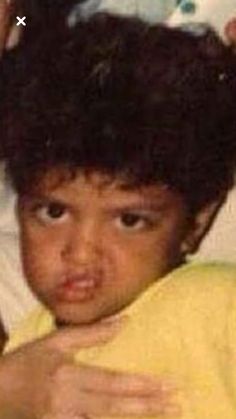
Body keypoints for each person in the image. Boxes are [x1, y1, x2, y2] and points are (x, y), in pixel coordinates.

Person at [1, 11, 236, 419]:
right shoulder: (28, 347)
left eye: (129, 221)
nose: (80, 254)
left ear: (195, 223)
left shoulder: (217, 306)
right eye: (54, 212)